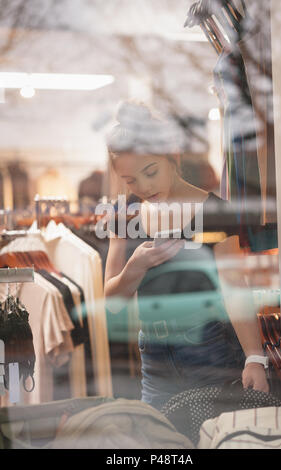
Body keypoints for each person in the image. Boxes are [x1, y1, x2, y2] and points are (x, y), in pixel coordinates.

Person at [104, 101, 269, 410]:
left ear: (173, 157)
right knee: (162, 442)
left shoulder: (214, 211)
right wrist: (135, 267)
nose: (144, 186)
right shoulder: (124, 215)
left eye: (150, 171)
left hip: (210, 349)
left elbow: (234, 286)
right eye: (130, 181)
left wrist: (255, 357)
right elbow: (111, 304)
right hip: (153, 357)